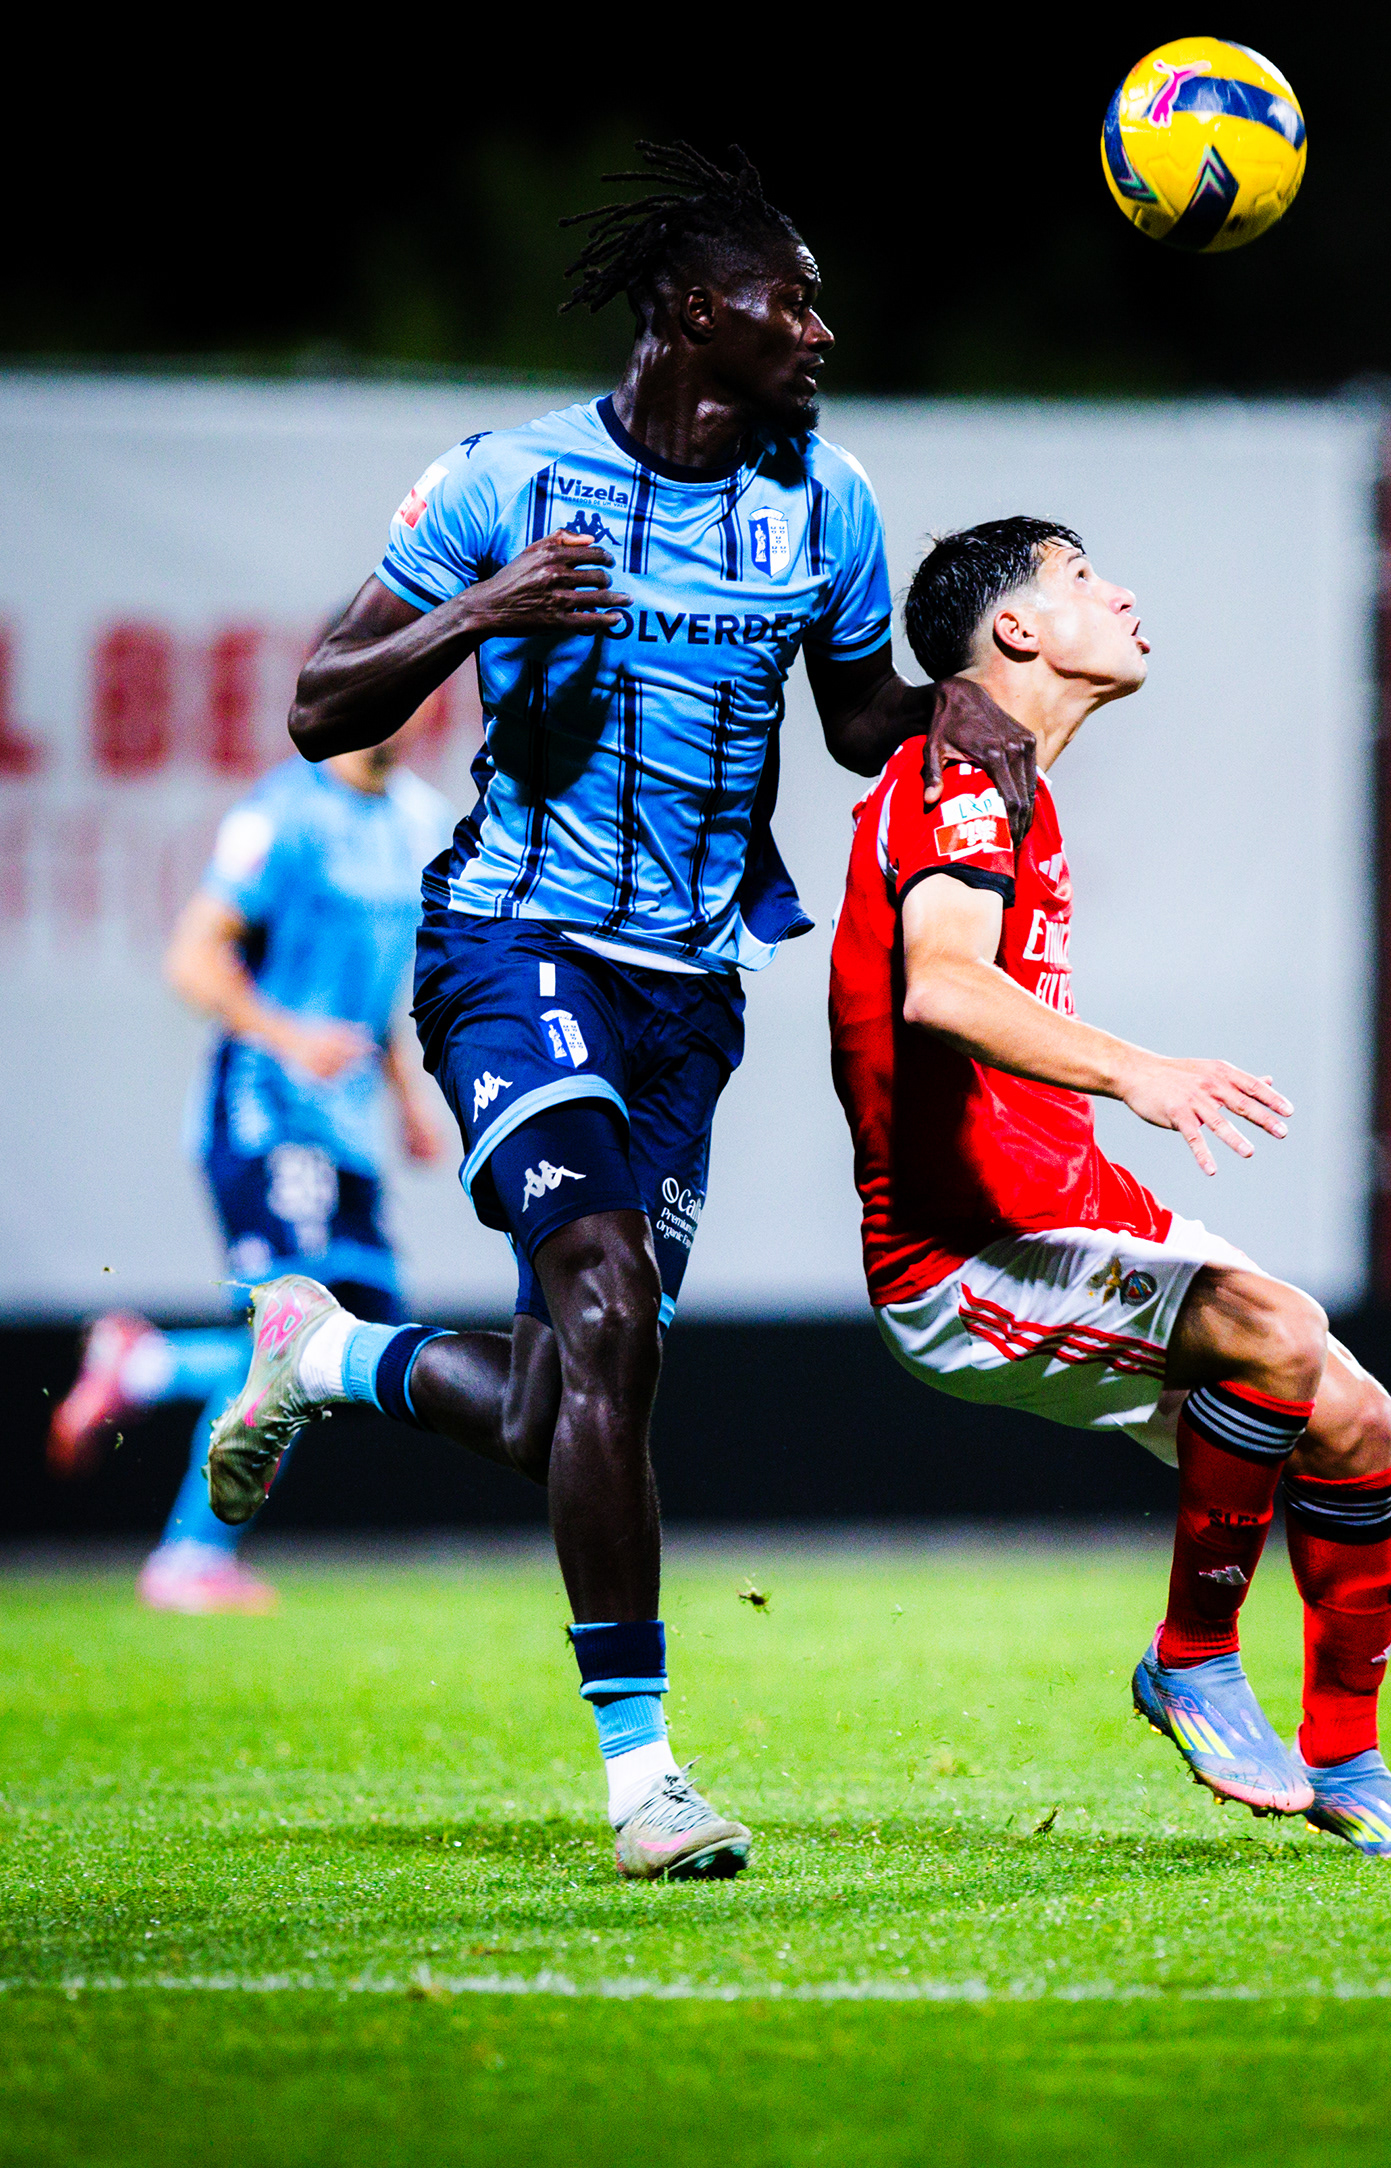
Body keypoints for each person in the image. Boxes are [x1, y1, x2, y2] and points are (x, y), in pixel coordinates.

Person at [202, 142, 1033, 1881]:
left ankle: (325, 1355)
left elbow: (855, 722)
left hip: (690, 993)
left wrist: (952, 710)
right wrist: (484, 609)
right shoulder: (504, 481)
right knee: (603, 1299)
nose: (819, 328)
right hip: (514, 945)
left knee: (569, 1391)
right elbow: (317, 702)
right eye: (787, 299)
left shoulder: (829, 502)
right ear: (688, 310)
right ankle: (645, 1780)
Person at [826, 518, 1391, 1856]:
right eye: (1078, 577)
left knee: (1356, 1415)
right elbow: (942, 988)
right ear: (1015, 630)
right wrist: (1137, 1071)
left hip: (1069, 1204)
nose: (1119, 594)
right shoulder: (959, 773)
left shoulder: (1008, 776)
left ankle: (1347, 1762)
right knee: (1279, 1332)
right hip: (964, 1252)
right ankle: (1193, 1658)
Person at [47, 734, 450, 1610]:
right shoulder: (281, 815)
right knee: (291, 1342)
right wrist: (290, 1037)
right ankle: (189, 1557)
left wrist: (406, 1098)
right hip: (263, 1113)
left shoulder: (419, 822)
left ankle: (147, 1366)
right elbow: (192, 960)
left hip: (343, 1129)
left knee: (359, 1342)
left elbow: (372, 982)